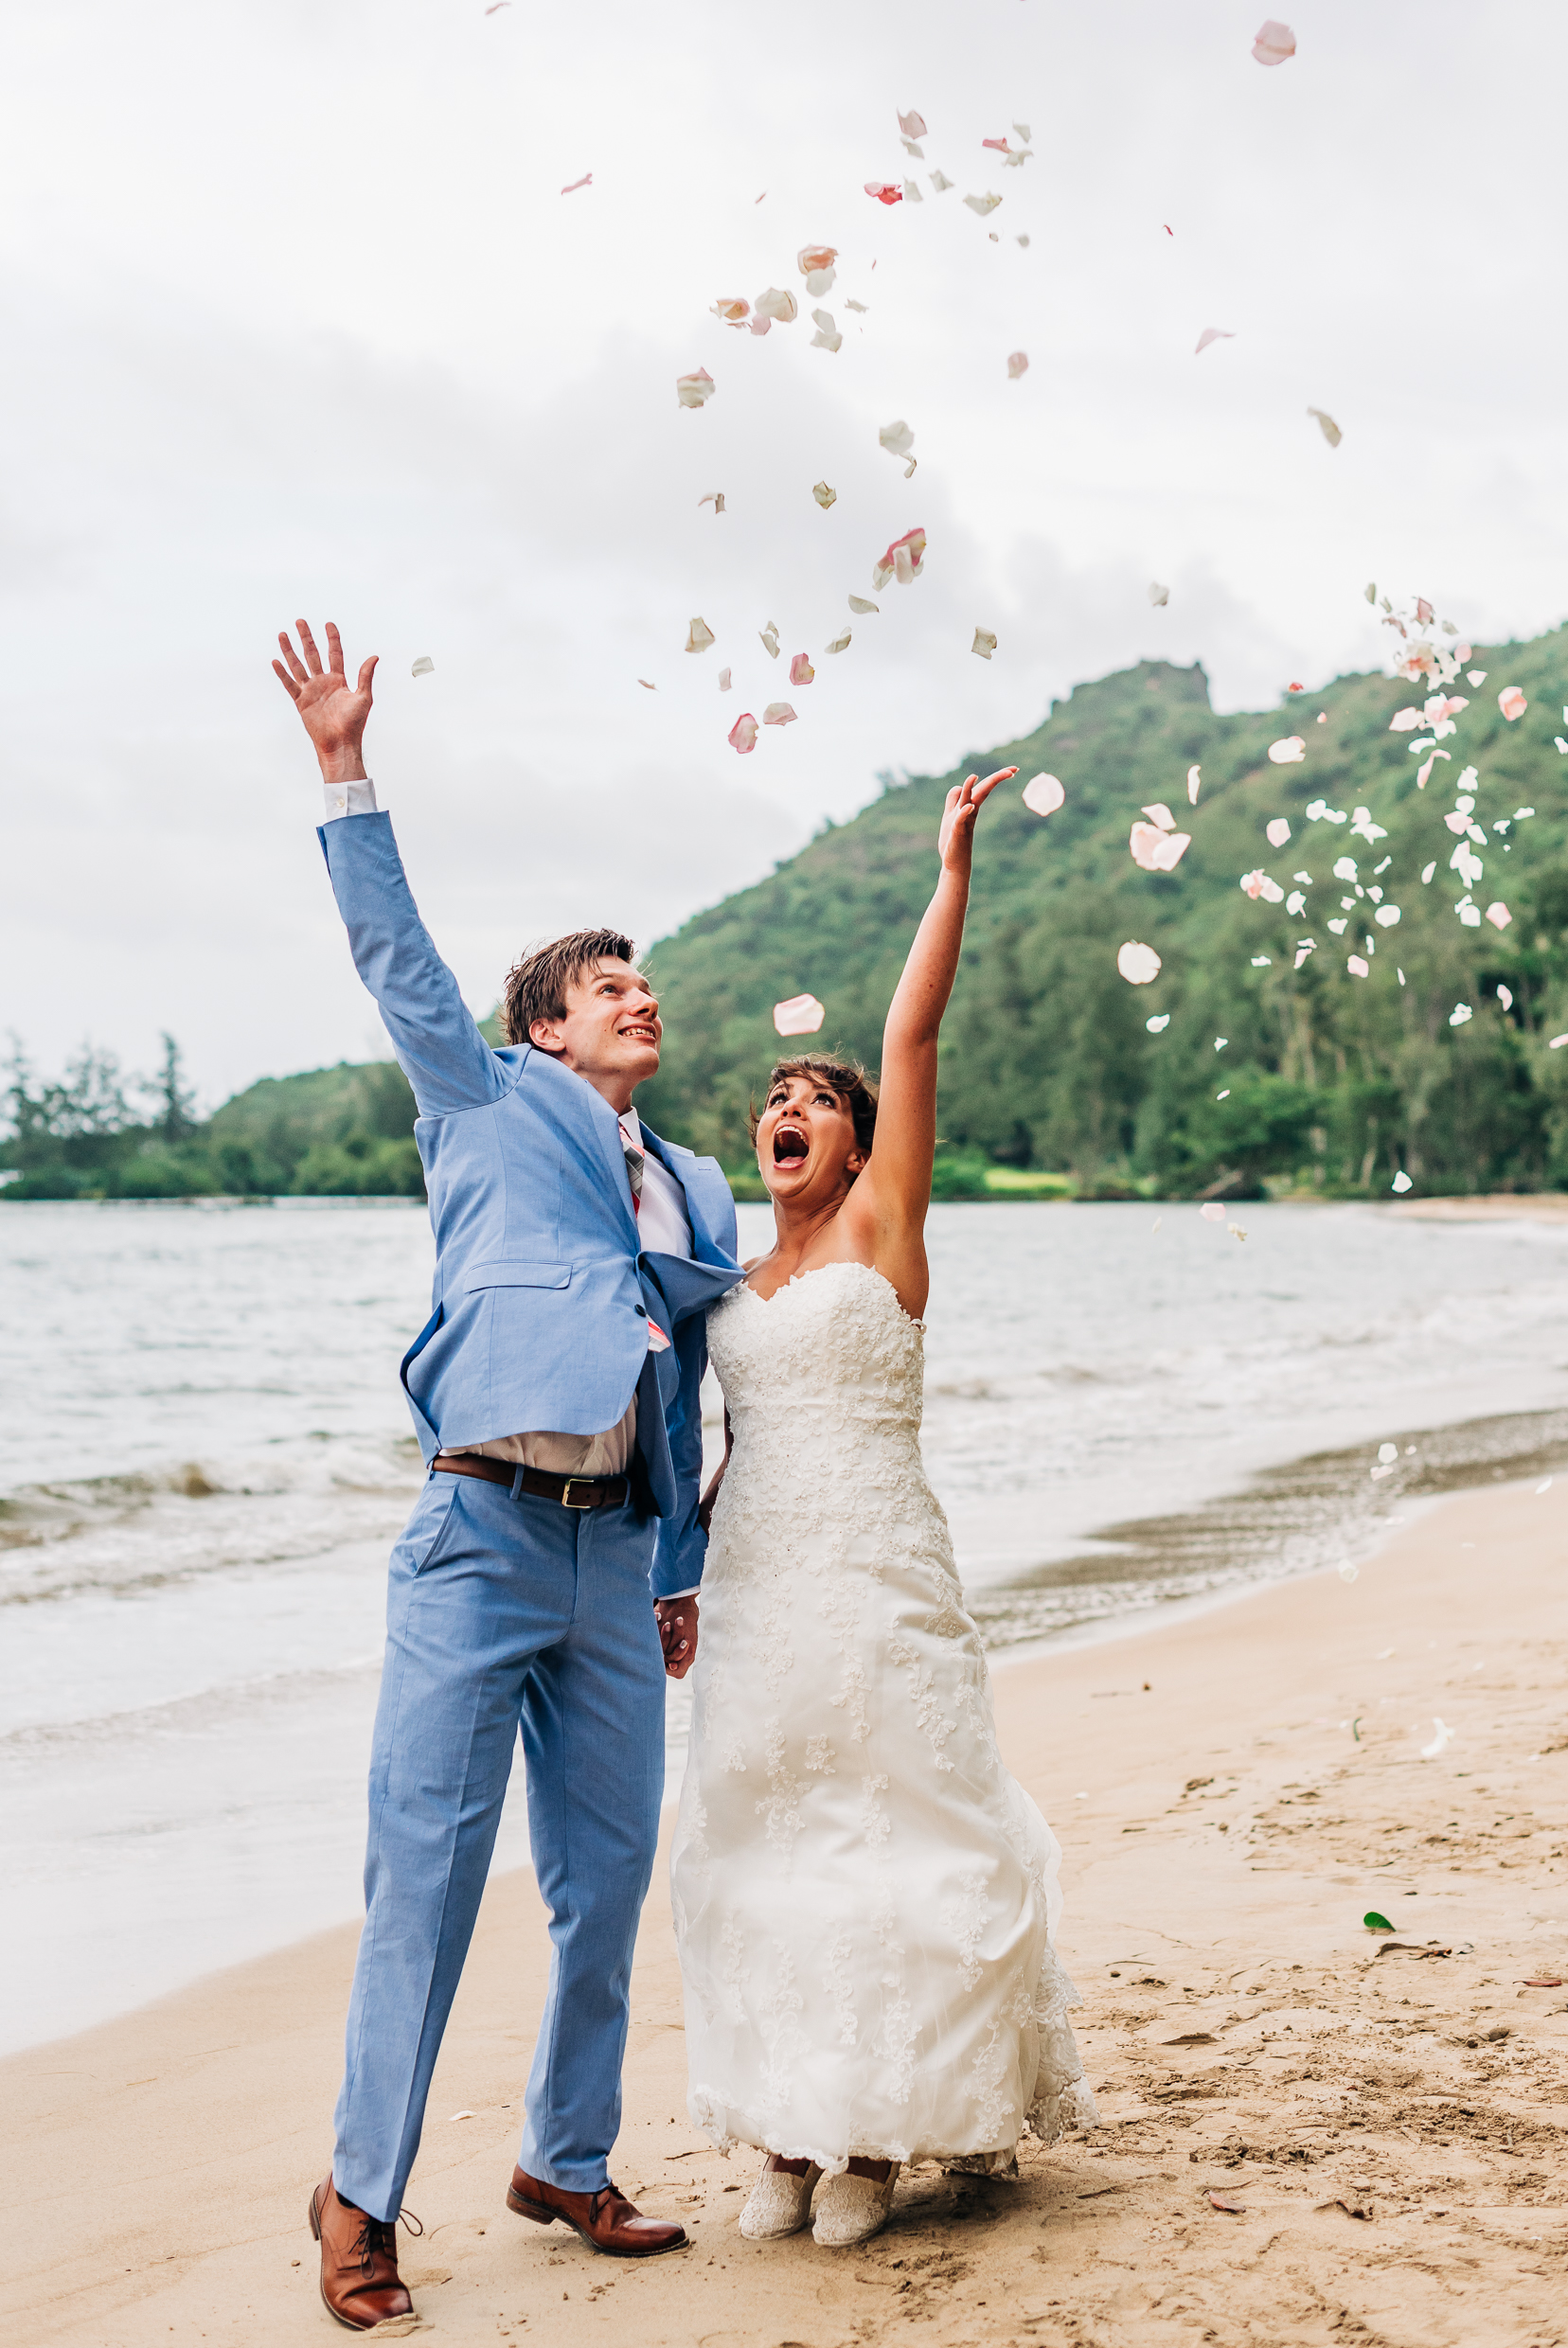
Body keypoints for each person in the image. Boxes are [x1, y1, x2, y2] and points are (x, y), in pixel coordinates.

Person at [271, 620, 743, 2329]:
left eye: (643, 979)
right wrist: (344, 768)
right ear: (543, 1035)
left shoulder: (693, 1183)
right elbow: (399, 961)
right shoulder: (481, 1105)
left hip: (613, 1559)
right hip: (474, 1537)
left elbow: (686, 1376)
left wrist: (679, 1561)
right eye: (605, 986)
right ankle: (361, 2194)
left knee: (609, 1875)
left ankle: (565, 2154)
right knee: (432, 1875)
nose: (639, 995)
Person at [668, 764, 1097, 2251]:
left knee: (894, 1827)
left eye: (815, 1101)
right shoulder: (729, 1273)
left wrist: (951, 870)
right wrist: (679, 1565)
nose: (790, 1109)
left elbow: (912, 1031)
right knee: (761, 1835)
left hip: (877, 1569)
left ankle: (880, 2138)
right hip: (755, 1580)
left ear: (856, 1144)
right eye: (775, 1099)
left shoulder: (880, 1228)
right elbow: (727, 1435)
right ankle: (787, 2135)